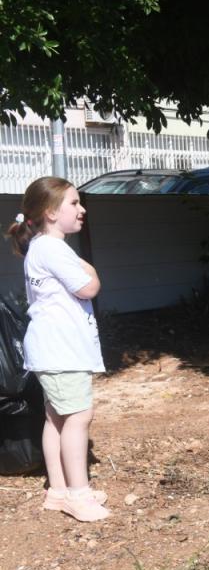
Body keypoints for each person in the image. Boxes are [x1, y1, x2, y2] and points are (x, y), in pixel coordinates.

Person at [6, 178, 108, 522]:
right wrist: (90, 268)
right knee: (79, 417)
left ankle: (59, 491)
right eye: (74, 204)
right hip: (62, 350)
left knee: (56, 417)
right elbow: (88, 287)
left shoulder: (41, 247)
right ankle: (78, 495)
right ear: (51, 212)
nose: (82, 210)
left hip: (52, 349)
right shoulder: (53, 248)